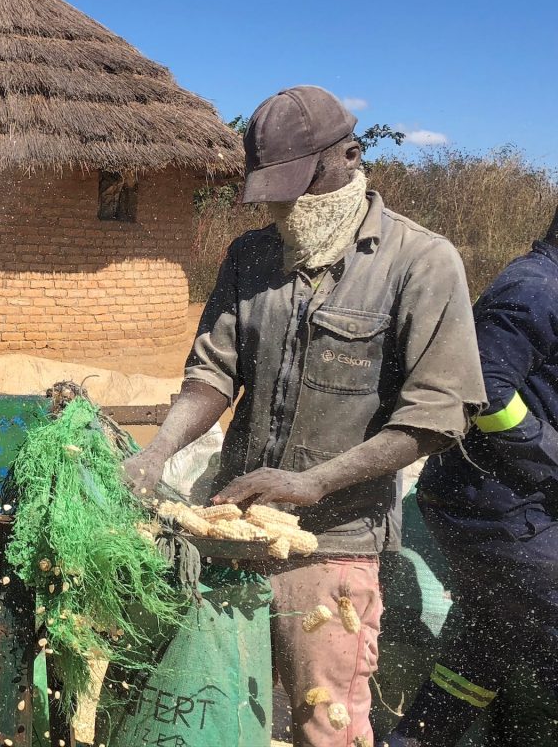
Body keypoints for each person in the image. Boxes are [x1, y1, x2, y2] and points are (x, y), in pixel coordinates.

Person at [122, 85, 486, 747]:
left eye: (296, 187)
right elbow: (211, 376)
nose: (281, 207)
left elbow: (435, 417)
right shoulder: (250, 258)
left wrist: (312, 483)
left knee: (327, 724)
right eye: (271, 191)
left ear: (349, 156)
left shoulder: (421, 264)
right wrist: (159, 449)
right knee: (222, 712)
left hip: (334, 547)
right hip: (233, 536)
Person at [387, 205, 558, 746]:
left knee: (490, 643)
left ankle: (416, 739)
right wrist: (551, 453)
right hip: (499, 514)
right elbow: (482, 390)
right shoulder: (535, 290)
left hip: (492, 507)